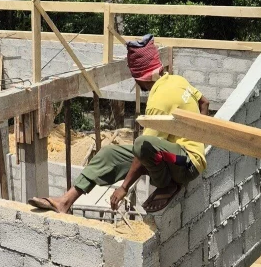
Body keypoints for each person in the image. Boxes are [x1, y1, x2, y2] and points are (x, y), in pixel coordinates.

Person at [28, 35, 209, 214]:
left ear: (141, 77)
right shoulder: (177, 80)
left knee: (143, 145)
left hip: (185, 163)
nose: (136, 83)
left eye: (136, 79)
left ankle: (167, 184)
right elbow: (204, 103)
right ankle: (65, 201)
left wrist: (123, 187)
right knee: (109, 154)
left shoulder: (160, 99)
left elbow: (144, 148)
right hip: (174, 156)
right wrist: (200, 139)